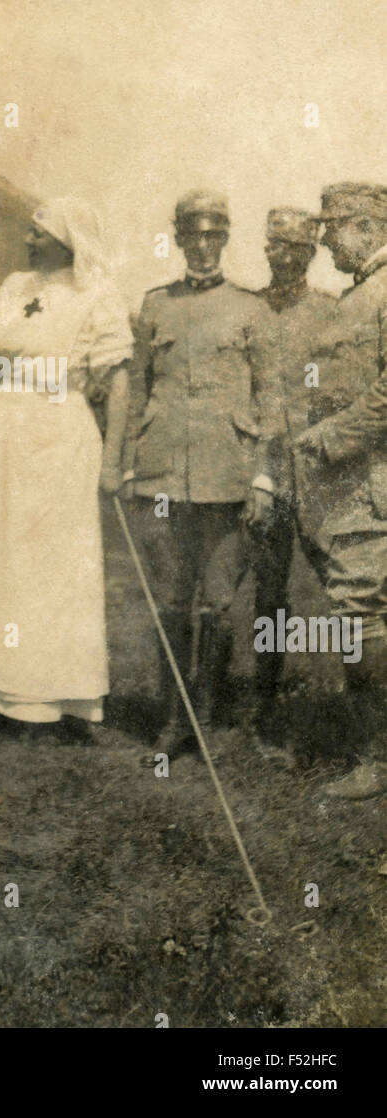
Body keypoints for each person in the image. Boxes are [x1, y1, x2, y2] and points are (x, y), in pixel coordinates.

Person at [0, 197, 132, 741]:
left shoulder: (99, 293)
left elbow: (116, 381)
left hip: (60, 434)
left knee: (53, 563)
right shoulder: (14, 287)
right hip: (4, 431)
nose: (27, 241)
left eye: (37, 233)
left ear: (67, 240)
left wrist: (112, 460)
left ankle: (50, 700)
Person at [121, 191, 283, 758]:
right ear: (179, 238)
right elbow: (137, 387)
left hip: (226, 477)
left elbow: (272, 400)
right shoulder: (154, 306)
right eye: (194, 236)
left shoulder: (251, 310)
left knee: (217, 602)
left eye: (215, 236)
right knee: (170, 597)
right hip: (163, 476)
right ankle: (173, 720)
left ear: (226, 239)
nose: (205, 247)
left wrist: (263, 479)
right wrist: (124, 463)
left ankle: (206, 721)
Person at [293, 182, 387, 800]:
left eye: (335, 227)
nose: (325, 240)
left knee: (361, 612)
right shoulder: (360, 294)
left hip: (370, 481)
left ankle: (375, 761)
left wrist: (329, 438)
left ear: (367, 228)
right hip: (351, 481)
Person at [251, 207, 336, 751]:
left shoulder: (332, 311)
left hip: (319, 469)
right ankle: (263, 703)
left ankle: (358, 701)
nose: (277, 255)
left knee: (345, 586)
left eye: (289, 247)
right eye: (271, 245)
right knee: (268, 590)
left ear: (308, 254)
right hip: (266, 471)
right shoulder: (250, 309)